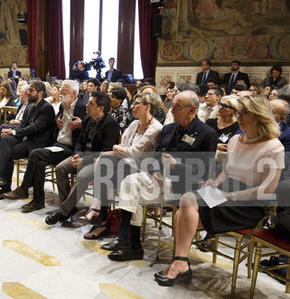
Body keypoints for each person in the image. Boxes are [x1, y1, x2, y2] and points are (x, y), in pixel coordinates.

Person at [155, 95, 284, 287]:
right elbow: (228, 171)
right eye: (238, 112)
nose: (239, 116)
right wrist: (215, 182)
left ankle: (180, 262)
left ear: (259, 116)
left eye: (244, 113)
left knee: (184, 213)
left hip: (247, 203)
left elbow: (267, 190)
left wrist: (229, 195)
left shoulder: (274, 147)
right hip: (225, 193)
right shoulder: (236, 139)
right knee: (186, 201)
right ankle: (181, 262)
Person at [107, 91, 217, 262]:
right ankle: (128, 240)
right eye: (172, 105)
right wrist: (153, 172)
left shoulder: (207, 133)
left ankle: (130, 242)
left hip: (184, 186)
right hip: (159, 180)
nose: (171, 110)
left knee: (133, 194)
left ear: (192, 109)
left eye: (177, 107)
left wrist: (176, 166)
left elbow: (202, 172)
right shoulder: (169, 128)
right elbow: (155, 158)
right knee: (129, 182)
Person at [83, 92, 163, 239]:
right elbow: (123, 146)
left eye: (137, 103)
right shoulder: (134, 123)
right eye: (132, 103)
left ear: (147, 107)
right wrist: (117, 150)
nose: (132, 106)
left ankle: (100, 217)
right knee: (104, 164)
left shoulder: (156, 128)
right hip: (124, 165)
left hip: (141, 170)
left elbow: (135, 153)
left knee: (105, 170)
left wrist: (117, 149)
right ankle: (100, 216)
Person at [2, 80, 86, 211]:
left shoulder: (82, 107)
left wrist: (82, 124)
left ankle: (24, 188)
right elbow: (53, 121)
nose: (61, 93)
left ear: (74, 93)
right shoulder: (63, 106)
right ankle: (38, 201)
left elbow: (92, 125)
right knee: (39, 163)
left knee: (35, 153)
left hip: (70, 149)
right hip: (58, 144)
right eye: (61, 89)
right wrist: (57, 118)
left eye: (64, 90)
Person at [44, 91, 120, 226]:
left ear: (100, 108)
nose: (86, 105)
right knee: (60, 169)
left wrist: (84, 160)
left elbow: (106, 151)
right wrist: (77, 154)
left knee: (82, 176)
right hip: (82, 156)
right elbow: (79, 141)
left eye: (91, 103)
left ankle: (62, 212)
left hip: (98, 161)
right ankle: (69, 207)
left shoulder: (110, 124)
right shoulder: (86, 119)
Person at [0, 81, 55, 200]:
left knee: (8, 152)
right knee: (6, 140)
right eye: (28, 90)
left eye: (31, 90)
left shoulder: (47, 108)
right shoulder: (29, 106)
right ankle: (0, 176)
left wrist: (14, 132)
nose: (28, 92)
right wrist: (10, 131)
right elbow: (23, 125)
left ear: (40, 93)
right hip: (27, 140)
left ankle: (2, 181)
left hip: (37, 144)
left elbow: (35, 128)